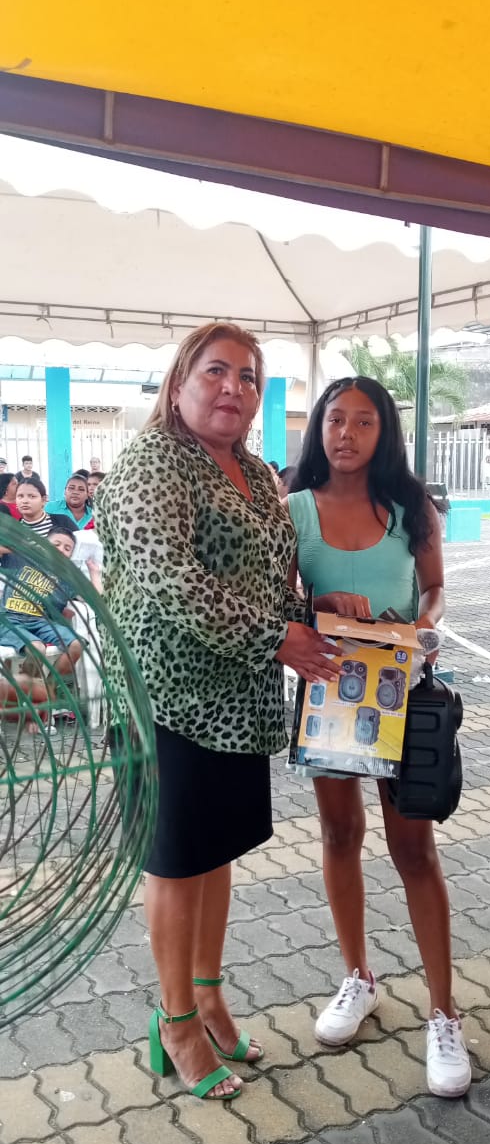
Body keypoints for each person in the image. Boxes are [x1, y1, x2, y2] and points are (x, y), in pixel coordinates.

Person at [96, 321, 335, 1103]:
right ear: (178, 384)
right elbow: (171, 579)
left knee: (215, 851)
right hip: (164, 699)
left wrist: (317, 619)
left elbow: (271, 576)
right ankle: (173, 1023)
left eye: (248, 376)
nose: (233, 387)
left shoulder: (257, 473)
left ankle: (206, 997)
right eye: (215, 371)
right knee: (176, 859)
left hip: (236, 701)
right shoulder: (150, 464)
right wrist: (277, 638)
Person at [285, 375, 471, 1100]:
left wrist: (423, 627)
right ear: (319, 428)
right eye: (336, 419)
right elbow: (280, 599)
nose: (347, 433)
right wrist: (316, 602)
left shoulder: (409, 506)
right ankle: (358, 977)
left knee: (413, 850)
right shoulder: (294, 509)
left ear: (384, 432)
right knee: (339, 836)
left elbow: (434, 588)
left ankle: (443, 1013)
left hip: (402, 693)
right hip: (330, 696)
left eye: (364, 421)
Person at [0, 526, 84, 684]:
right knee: (37, 649)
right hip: (9, 619)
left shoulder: (67, 578)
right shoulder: (21, 558)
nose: (61, 550)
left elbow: (95, 596)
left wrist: (94, 573)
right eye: (56, 544)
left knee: (76, 645)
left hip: (41, 623)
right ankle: (27, 692)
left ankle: (49, 688)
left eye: (67, 549)